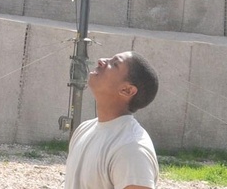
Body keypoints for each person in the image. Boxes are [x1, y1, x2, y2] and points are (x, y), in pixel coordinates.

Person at [65, 51, 160, 189]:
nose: (101, 61)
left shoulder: (131, 149)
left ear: (127, 90)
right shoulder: (84, 129)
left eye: (114, 64)